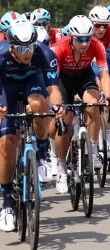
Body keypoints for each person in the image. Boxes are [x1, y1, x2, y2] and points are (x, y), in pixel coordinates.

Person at [0, 19, 64, 232]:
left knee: (39, 105)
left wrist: (57, 106)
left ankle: (42, 150)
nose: (27, 52)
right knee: (7, 145)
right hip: (5, 86)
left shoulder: (44, 53)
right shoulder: (0, 55)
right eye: (21, 48)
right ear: (11, 46)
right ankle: (7, 201)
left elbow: (53, 89)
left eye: (30, 46)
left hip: (32, 82)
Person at [51, 15, 110, 194]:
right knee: (65, 121)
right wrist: (57, 103)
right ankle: (62, 169)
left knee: (94, 105)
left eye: (88, 38)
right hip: (61, 80)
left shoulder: (97, 45)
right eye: (80, 39)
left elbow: (104, 75)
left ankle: (93, 153)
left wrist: (108, 96)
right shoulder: (59, 48)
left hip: (83, 78)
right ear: (71, 37)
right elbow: (52, 81)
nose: (85, 43)